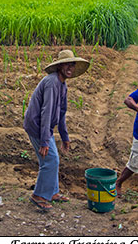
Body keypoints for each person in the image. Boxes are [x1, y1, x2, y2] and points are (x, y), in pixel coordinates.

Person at [23, 49, 89, 211]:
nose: (70, 68)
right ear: (59, 66)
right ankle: (39, 195)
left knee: (53, 158)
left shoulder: (62, 84)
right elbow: (46, 112)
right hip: (36, 125)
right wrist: (44, 141)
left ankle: (52, 192)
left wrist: (65, 137)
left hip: (45, 126)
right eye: (67, 64)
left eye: (72, 65)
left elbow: (61, 112)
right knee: (50, 159)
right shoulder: (52, 83)